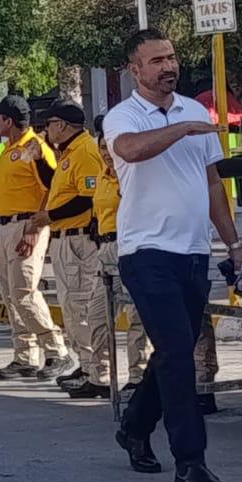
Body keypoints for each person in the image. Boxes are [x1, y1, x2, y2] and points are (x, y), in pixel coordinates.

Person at [107, 30, 242, 482]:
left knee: (172, 352)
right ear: (135, 70)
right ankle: (191, 461)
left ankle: (134, 425)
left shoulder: (194, 110)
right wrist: (181, 129)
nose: (169, 66)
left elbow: (211, 187)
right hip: (146, 252)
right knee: (179, 351)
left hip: (193, 251)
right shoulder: (123, 117)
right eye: (157, 60)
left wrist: (233, 244)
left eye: (172, 57)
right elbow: (130, 151)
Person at [19, 103, 110, 399]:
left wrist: (50, 216)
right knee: (72, 308)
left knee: (81, 306)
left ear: (63, 124)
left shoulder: (84, 151)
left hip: (78, 239)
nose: (47, 130)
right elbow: (60, 186)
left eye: (51, 123)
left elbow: (86, 198)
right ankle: (86, 364)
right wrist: (41, 163)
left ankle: (95, 370)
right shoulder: (69, 153)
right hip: (65, 238)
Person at [0, 96, 71, 380]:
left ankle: (56, 350)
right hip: (7, 225)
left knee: (25, 292)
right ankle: (24, 356)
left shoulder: (36, 147)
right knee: (11, 295)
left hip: (26, 223)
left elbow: (51, 188)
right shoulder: (9, 149)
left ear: (9, 121)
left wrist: (34, 229)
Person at [92, 115, 151, 393]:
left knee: (136, 314)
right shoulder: (103, 176)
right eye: (102, 147)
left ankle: (138, 375)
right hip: (105, 248)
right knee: (98, 315)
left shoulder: (134, 175)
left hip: (131, 245)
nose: (106, 153)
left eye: (111, 147)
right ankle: (100, 374)